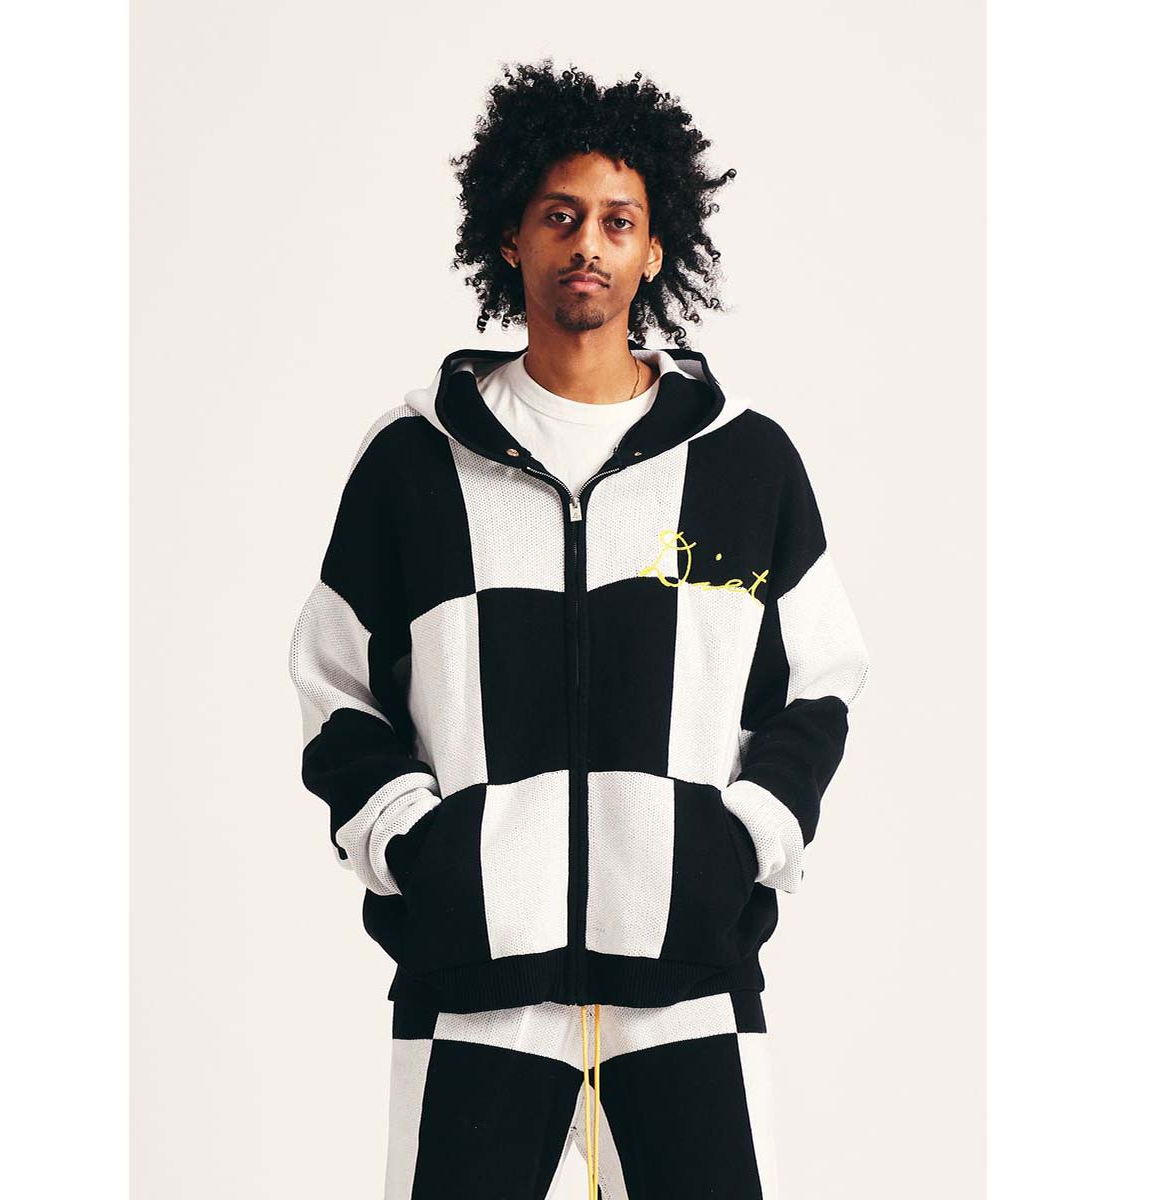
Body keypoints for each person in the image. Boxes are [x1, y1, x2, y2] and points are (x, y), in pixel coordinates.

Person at [288, 59, 870, 1200]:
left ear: (655, 249)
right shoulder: (413, 464)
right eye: (559, 216)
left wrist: (739, 844)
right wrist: (415, 848)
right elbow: (334, 682)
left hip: (687, 981)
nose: (587, 245)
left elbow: (822, 681)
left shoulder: (743, 463)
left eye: (617, 220)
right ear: (509, 237)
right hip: (475, 984)